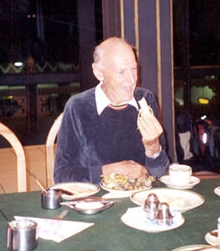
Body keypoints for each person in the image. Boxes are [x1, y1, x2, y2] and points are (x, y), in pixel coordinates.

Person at [54, 37, 170, 183]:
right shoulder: (78, 107)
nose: (132, 79)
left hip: (141, 201)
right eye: (121, 72)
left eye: (134, 69)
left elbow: (160, 173)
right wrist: (111, 171)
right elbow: (62, 175)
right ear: (98, 72)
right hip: (95, 201)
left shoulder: (146, 100)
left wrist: (153, 148)